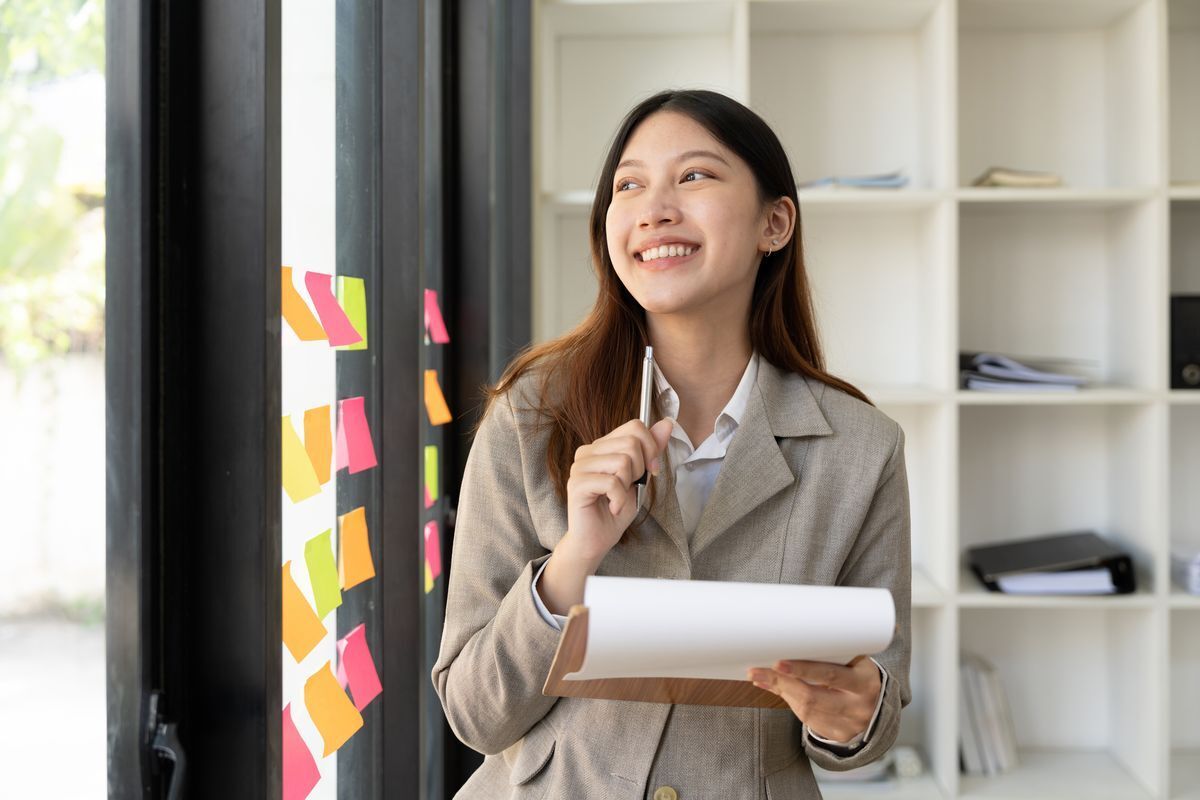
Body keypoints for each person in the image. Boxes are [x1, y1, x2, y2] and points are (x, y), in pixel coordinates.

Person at [431, 88, 911, 799]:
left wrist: (853, 717)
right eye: (629, 186)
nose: (654, 208)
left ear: (774, 223)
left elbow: (870, 717)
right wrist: (574, 560)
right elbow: (474, 715)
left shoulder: (863, 448)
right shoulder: (529, 416)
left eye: (694, 175)